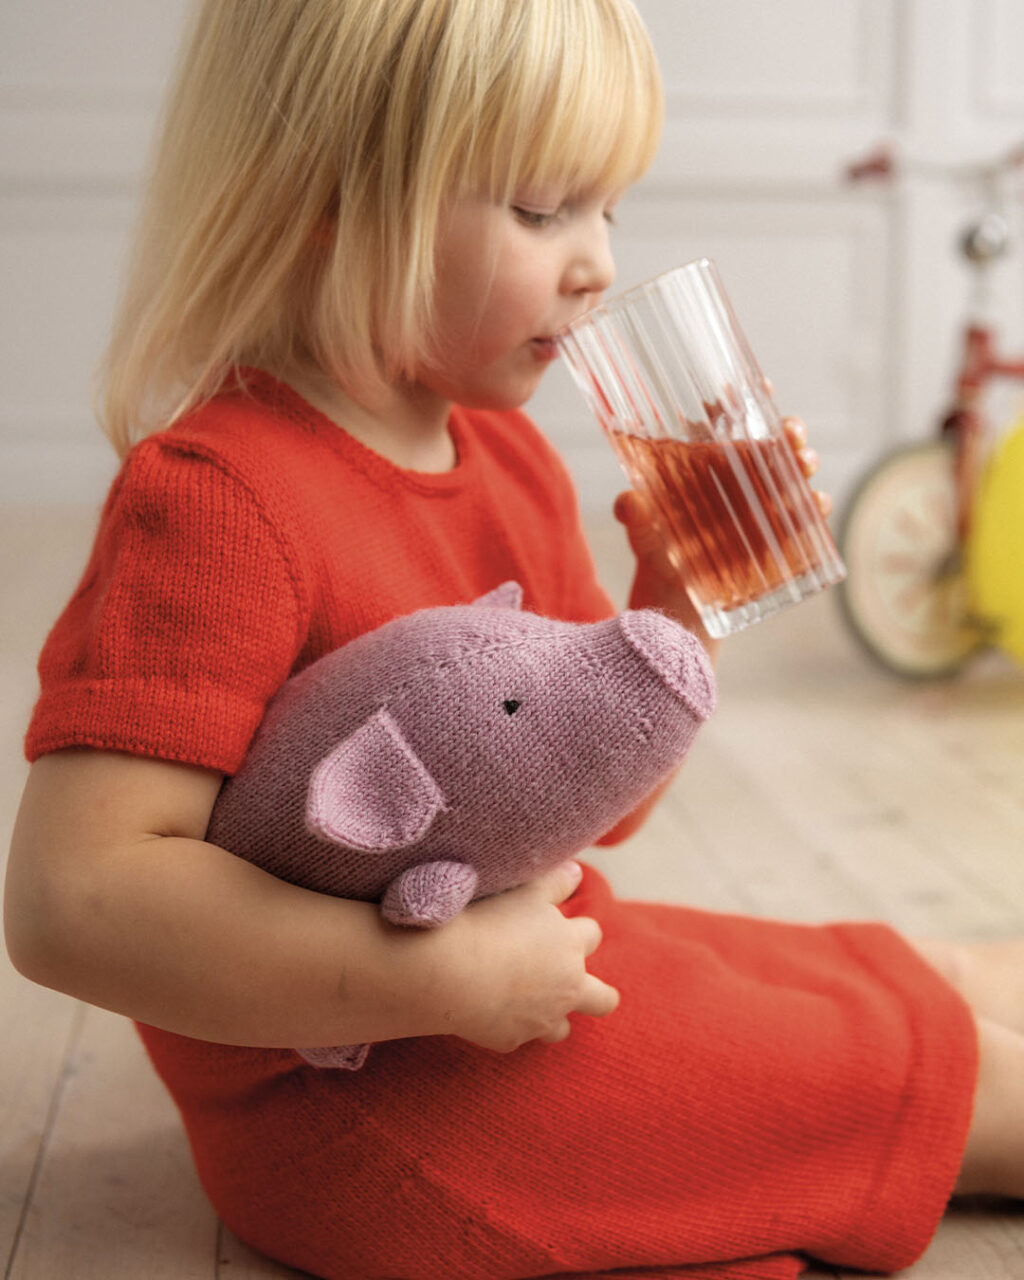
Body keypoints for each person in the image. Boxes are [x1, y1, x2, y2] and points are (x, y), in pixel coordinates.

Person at [4, 1, 1023, 1277]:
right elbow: (74, 903)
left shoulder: (509, 454)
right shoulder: (216, 496)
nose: (596, 261)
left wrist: (677, 605)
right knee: (950, 1080)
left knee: (910, 977)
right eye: (543, 210)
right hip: (365, 1101)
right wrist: (435, 984)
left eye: (610, 209)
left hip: (500, 983)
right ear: (326, 198)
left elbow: (578, 808)